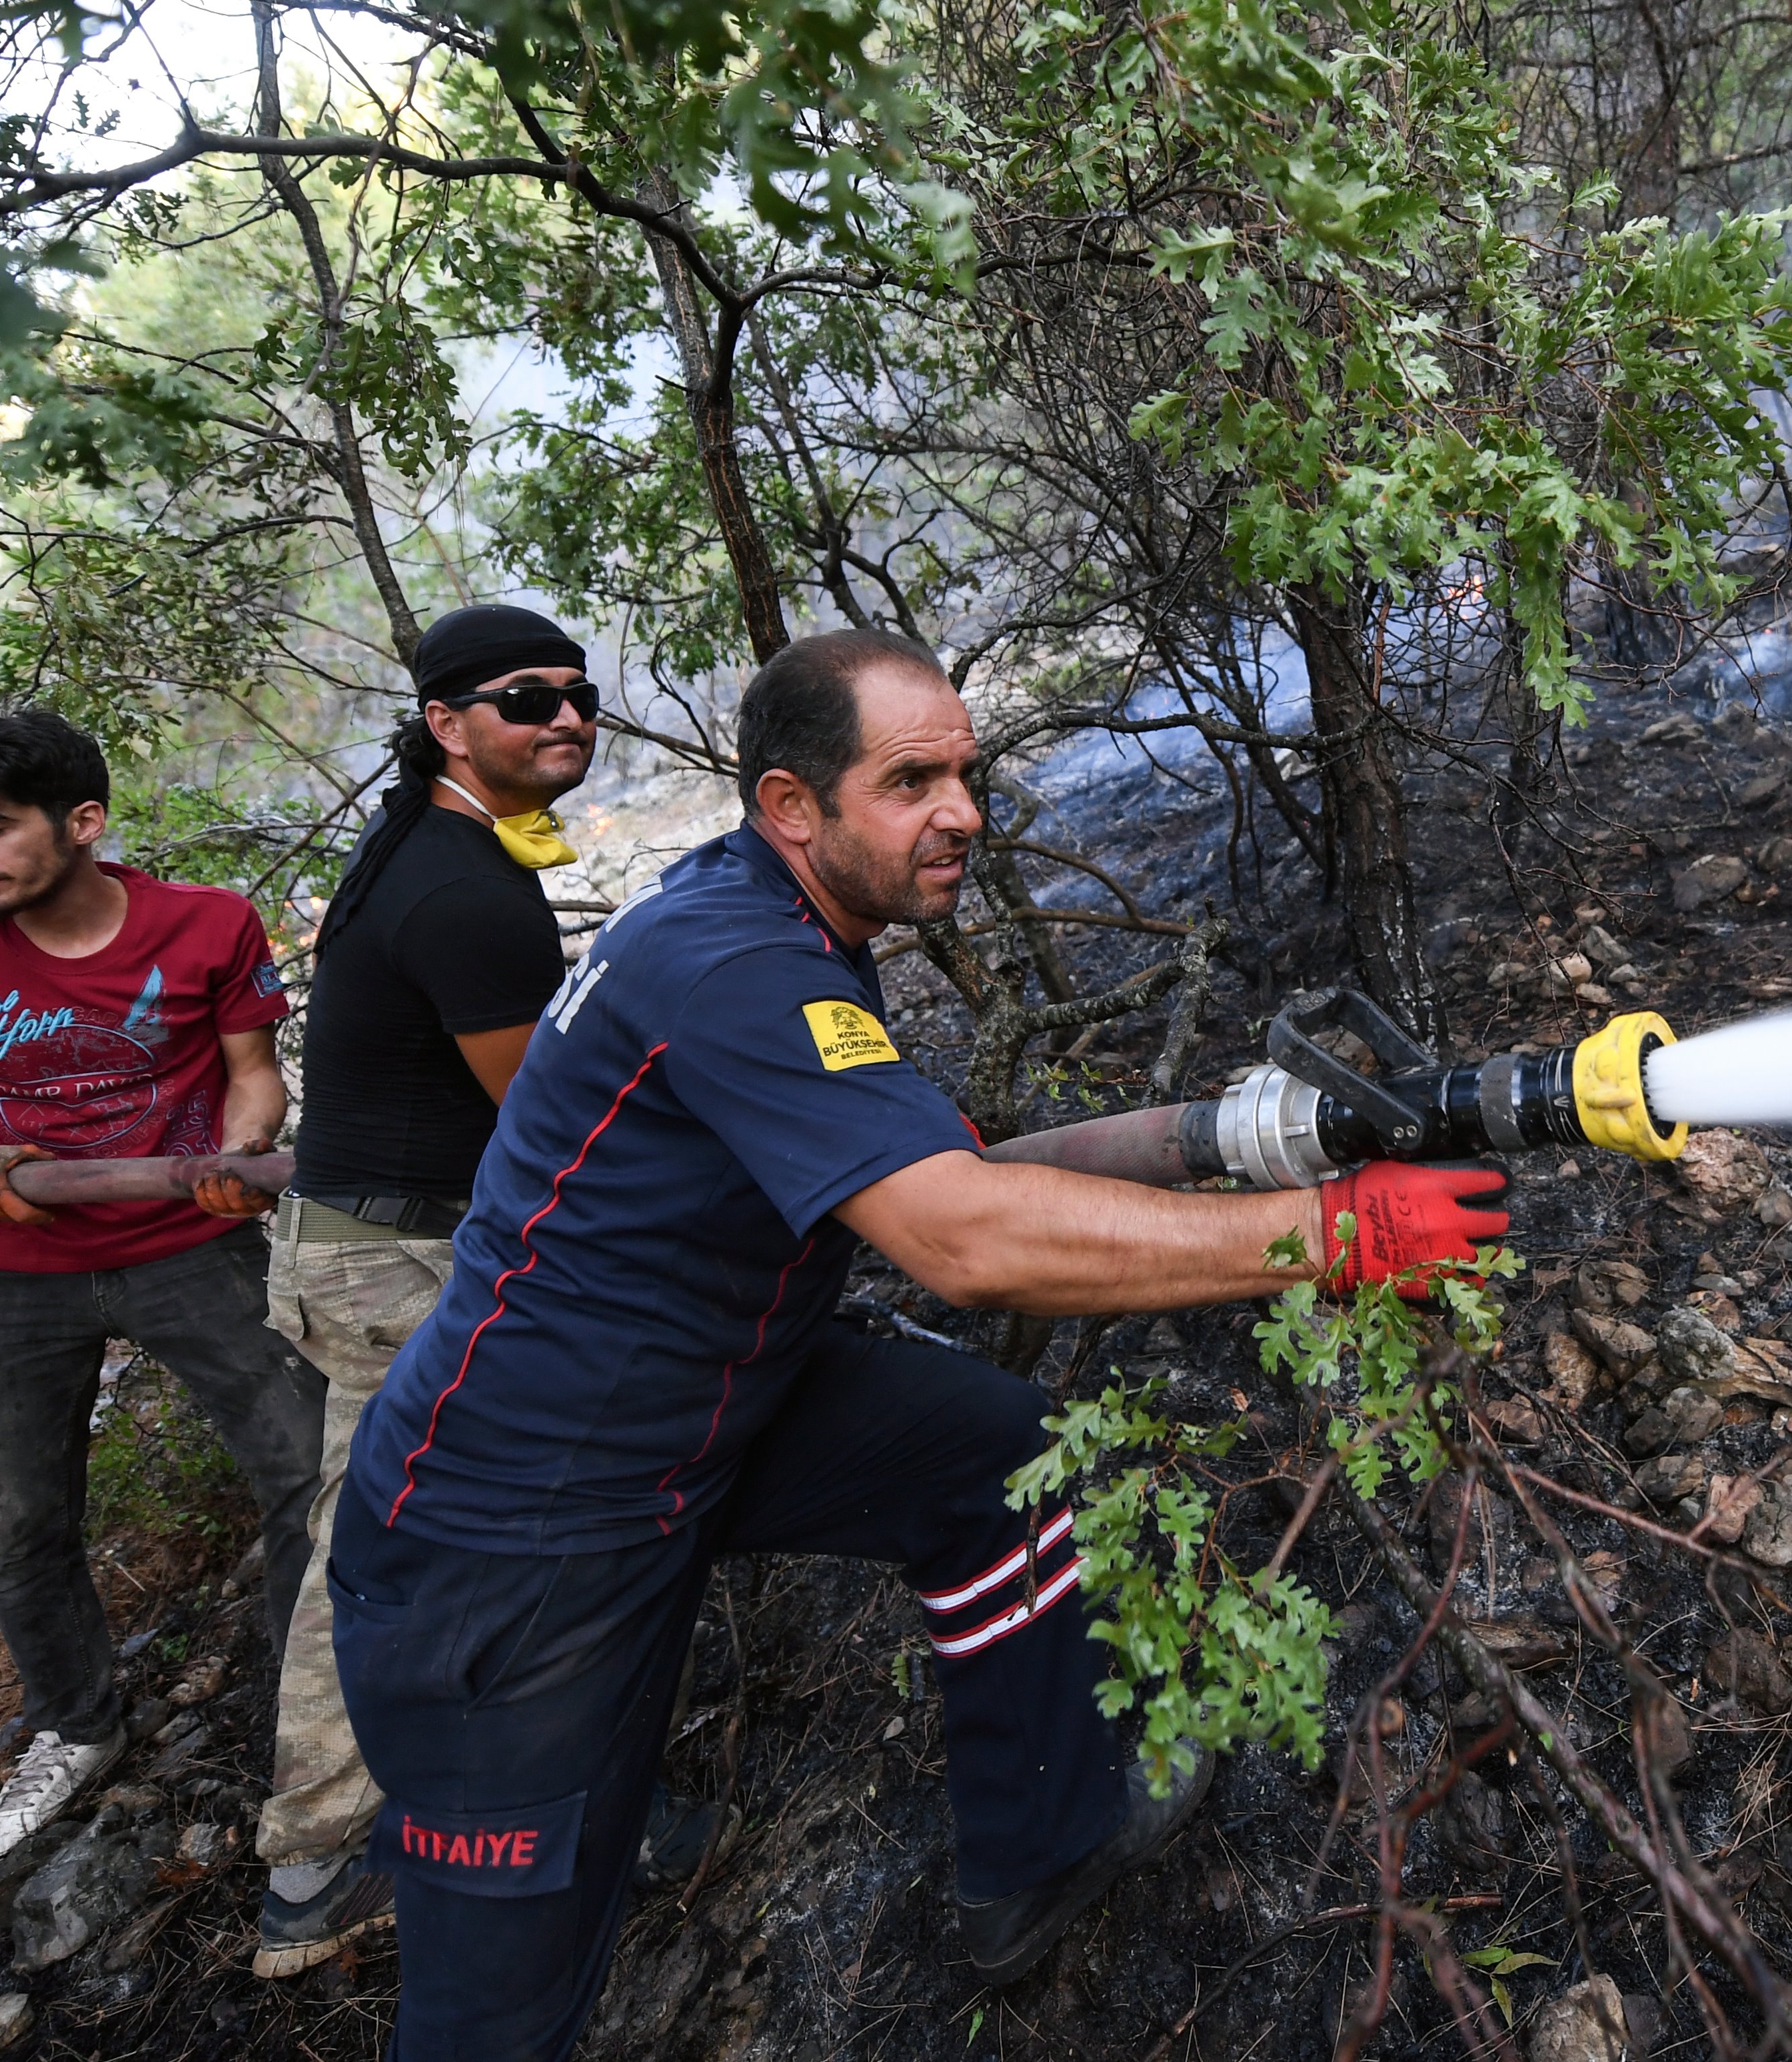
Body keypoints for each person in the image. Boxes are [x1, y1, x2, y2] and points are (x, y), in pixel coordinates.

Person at [331, 628, 1507, 2059]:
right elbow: (965, 1241)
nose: (960, 809)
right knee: (497, 2012)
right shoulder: (735, 963)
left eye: (966, 771)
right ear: (790, 804)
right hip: (514, 1523)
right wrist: (1324, 1236)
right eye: (910, 780)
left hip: (703, 1409)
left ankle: (1042, 1846)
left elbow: (955, 1162)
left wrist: (1242, 1134)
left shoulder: (777, 923)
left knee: (987, 1455)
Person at [0, 710, 325, 1872]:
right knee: (21, 1520)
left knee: (308, 1468)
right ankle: (75, 1723)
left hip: (190, 1247)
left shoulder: (204, 922)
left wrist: (235, 1158)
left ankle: (319, 1711)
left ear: (84, 822)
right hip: (19, 1273)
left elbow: (252, 1078)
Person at [249, 604, 595, 1977]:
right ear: (449, 722)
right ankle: (318, 1859)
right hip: (401, 1260)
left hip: (365, 1240)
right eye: (527, 698)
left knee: (420, 1528)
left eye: (581, 696)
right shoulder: (461, 888)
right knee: (378, 1545)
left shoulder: (433, 836)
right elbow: (556, 1118)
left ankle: (446, 1794)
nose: (564, 717)